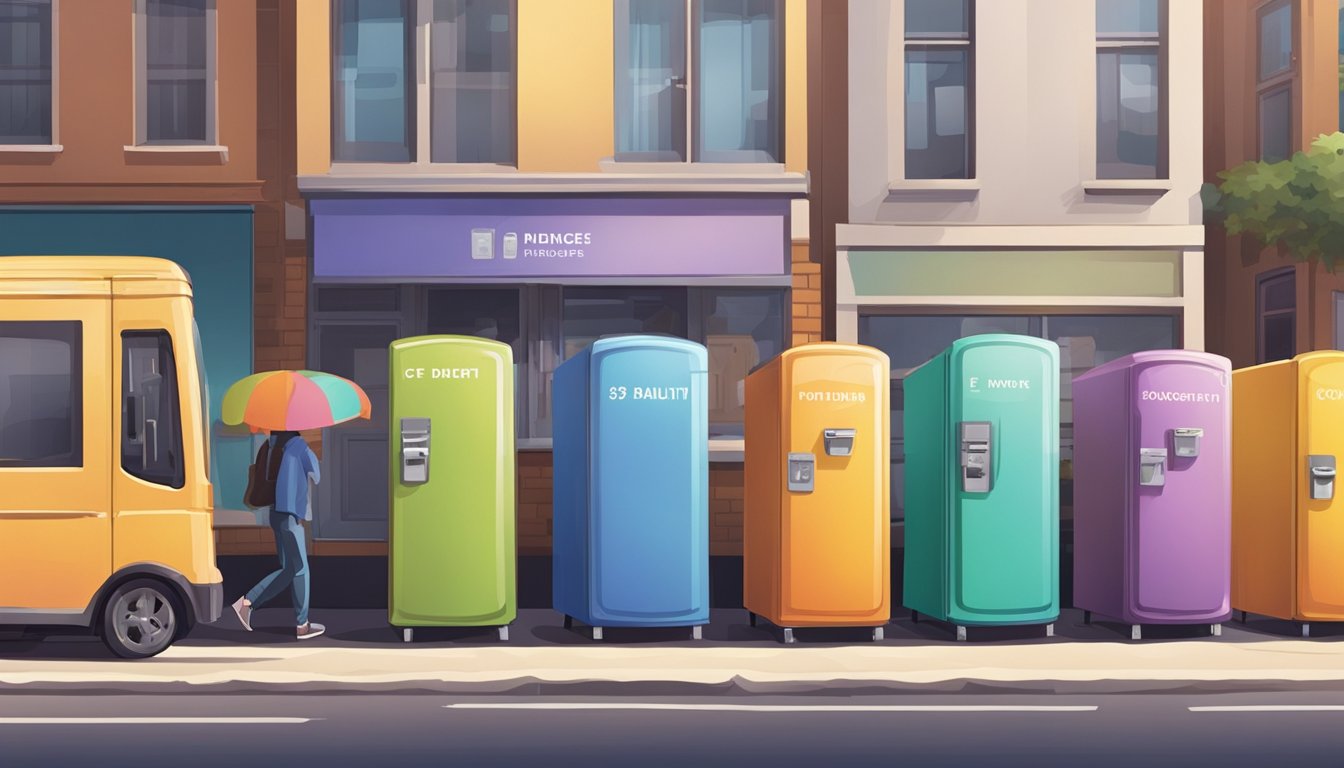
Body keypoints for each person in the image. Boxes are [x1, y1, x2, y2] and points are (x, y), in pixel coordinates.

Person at [231, 430, 325, 640]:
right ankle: (302, 625)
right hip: (291, 515)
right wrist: (311, 448)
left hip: (276, 514)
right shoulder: (299, 446)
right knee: (300, 569)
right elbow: (316, 474)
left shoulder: (270, 445)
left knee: (289, 569)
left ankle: (248, 603)